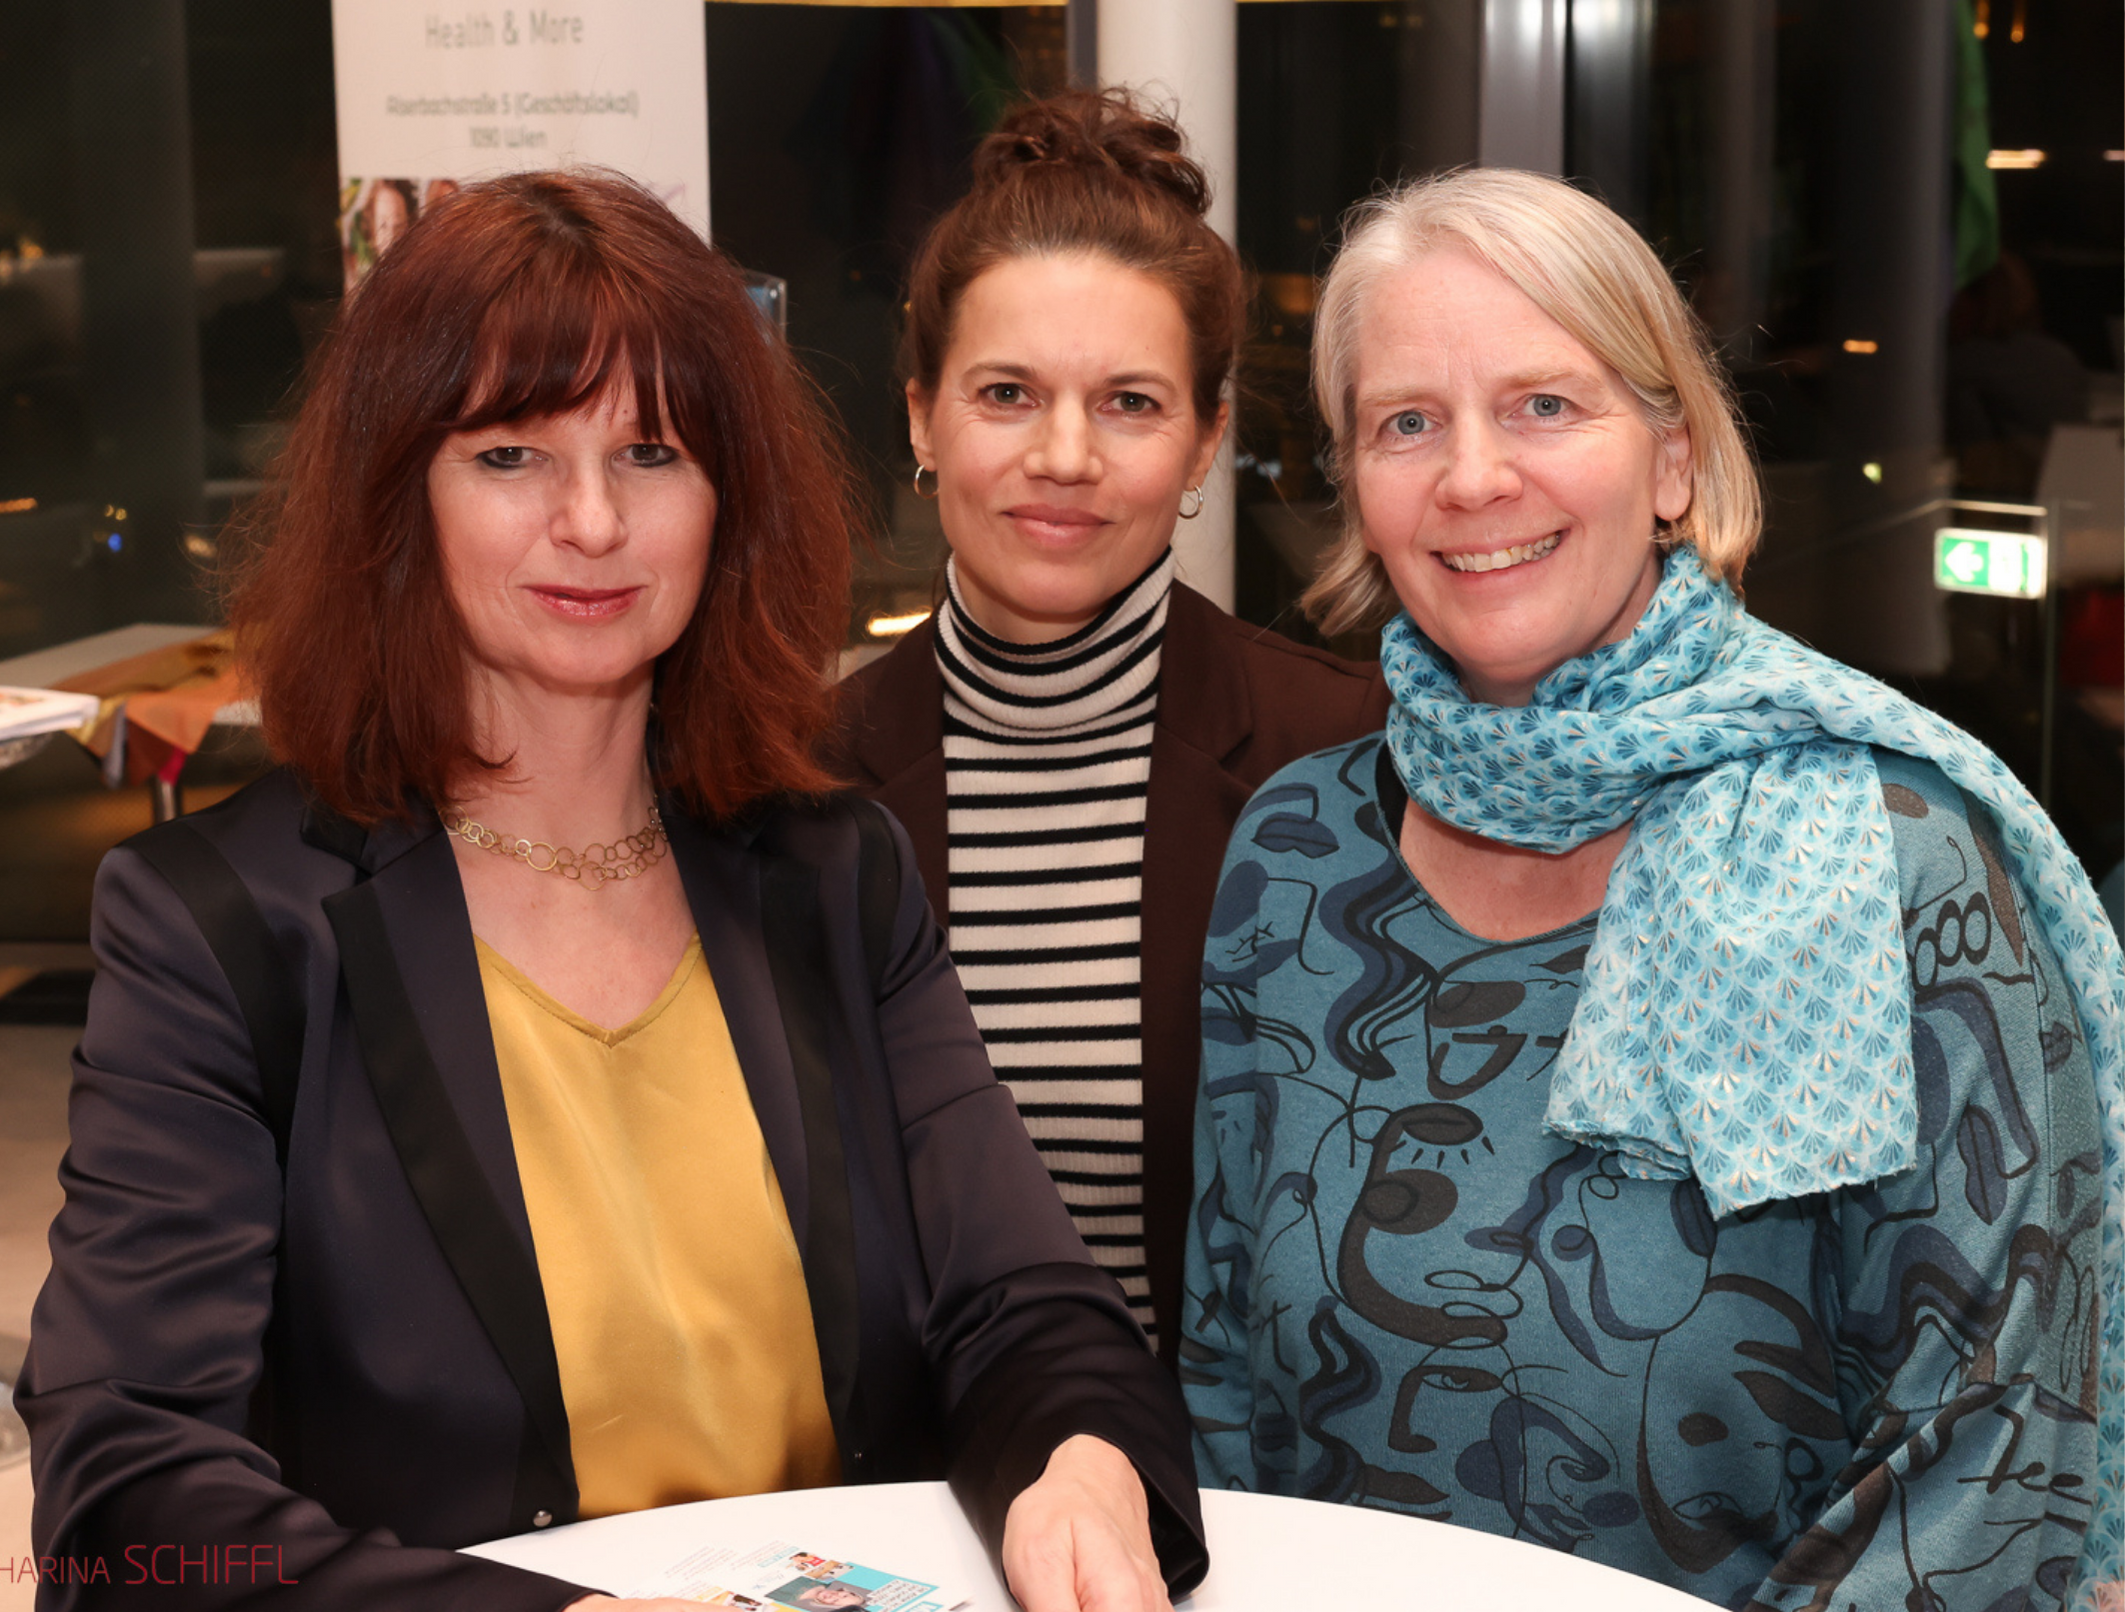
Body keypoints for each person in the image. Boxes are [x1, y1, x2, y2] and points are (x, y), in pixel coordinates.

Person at [18, 171, 1206, 1612]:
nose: (591, 521)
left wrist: (1080, 1462)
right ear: (401, 494)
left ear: (726, 499)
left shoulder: (833, 870)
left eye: (651, 453)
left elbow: (1027, 1305)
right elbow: (128, 1489)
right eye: (509, 455)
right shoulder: (217, 924)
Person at [1181, 168, 2122, 1609]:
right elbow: (1222, 1378)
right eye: (1406, 422)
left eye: (1543, 404)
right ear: (1356, 485)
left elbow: (1988, 1462)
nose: (1471, 476)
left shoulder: (1889, 854)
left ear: (1673, 460)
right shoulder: (1297, 849)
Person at [829, 91, 1388, 1363]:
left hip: (1236, 1467)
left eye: (1130, 402)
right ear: (920, 417)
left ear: (1204, 442)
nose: (1066, 455)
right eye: (1007, 393)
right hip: (912, 1470)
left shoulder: (1343, 755)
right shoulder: (796, 778)